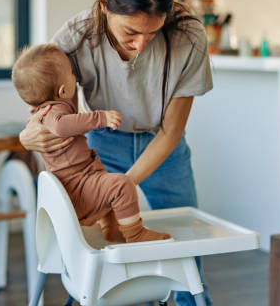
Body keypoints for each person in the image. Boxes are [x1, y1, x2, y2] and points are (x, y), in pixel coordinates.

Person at [19, 0, 213, 306]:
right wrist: (27, 133)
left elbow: (171, 131)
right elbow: (43, 94)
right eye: (131, 32)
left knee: (186, 252)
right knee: (92, 249)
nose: (142, 45)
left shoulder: (188, 36)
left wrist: (118, 190)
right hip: (100, 148)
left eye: (153, 32)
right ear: (105, 5)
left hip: (163, 147)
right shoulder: (78, 35)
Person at [12, 43, 170, 243]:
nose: (75, 77)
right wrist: (100, 118)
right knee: (121, 185)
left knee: (110, 187)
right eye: (71, 73)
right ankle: (136, 234)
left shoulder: (46, 108)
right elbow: (61, 126)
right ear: (62, 91)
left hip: (83, 177)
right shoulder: (53, 112)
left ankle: (111, 228)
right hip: (78, 186)